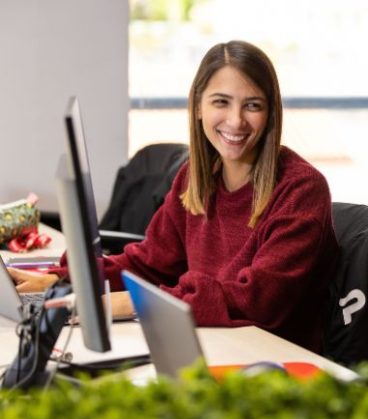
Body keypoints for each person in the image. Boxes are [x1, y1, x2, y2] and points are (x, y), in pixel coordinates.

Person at [10, 40, 339, 353]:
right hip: (207, 345)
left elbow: (258, 299)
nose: (236, 120)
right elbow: (148, 264)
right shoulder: (195, 179)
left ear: (270, 113)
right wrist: (61, 281)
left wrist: (123, 303)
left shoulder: (301, 190)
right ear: (198, 106)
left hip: (268, 362)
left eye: (253, 105)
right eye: (221, 102)